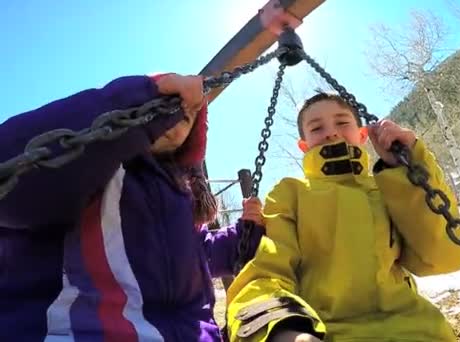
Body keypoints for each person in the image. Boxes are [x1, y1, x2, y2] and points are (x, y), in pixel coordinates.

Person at [0, 73, 264, 341]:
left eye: (188, 115)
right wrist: (136, 97)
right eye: (168, 105)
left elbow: (200, 253)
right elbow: (15, 165)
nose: (179, 113)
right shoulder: (92, 168)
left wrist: (245, 235)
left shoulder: (179, 195)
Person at [225, 92, 460, 342]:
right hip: (326, 333)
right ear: (304, 145)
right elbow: (268, 270)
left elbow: (444, 258)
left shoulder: (390, 188)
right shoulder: (291, 194)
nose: (331, 132)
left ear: (362, 135)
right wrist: (280, 330)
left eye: (342, 123)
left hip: (417, 331)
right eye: (317, 128)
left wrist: (409, 165)